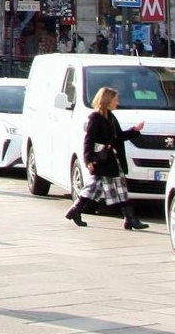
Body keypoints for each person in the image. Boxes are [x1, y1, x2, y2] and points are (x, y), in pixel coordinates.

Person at [63, 87, 147, 230]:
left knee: (101, 187)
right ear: (107, 100)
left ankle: (75, 211)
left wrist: (134, 130)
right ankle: (130, 218)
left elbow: (118, 137)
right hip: (102, 160)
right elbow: (88, 141)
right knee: (111, 188)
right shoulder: (95, 118)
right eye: (115, 99)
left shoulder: (110, 116)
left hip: (110, 159)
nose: (117, 102)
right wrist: (88, 160)